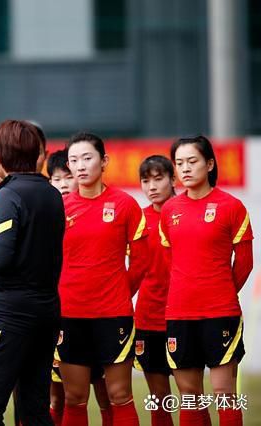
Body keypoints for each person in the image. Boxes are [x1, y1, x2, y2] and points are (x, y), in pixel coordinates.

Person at [0, 120, 65, 425]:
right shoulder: (51, 194)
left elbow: (0, 258)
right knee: (33, 407)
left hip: (12, 313)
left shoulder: (8, 195)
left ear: (0, 155)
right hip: (47, 310)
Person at [160, 136, 253, 426]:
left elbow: (245, 264)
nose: (185, 169)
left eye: (192, 161)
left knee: (224, 394)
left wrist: (220, 291)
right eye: (179, 163)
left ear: (209, 163)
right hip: (179, 313)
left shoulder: (232, 206)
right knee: (189, 395)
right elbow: (169, 263)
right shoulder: (169, 210)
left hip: (220, 313)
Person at [57, 132, 148, 426]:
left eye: (87, 158)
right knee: (74, 397)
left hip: (113, 314)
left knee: (119, 394)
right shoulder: (59, 208)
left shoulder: (125, 204)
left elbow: (142, 260)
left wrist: (118, 290)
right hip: (69, 314)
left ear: (104, 161)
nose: (80, 166)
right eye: (74, 160)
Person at [46, 149, 112, 426]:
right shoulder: (46, 215)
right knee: (59, 397)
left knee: (108, 394)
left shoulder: (100, 210)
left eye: (68, 177)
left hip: (101, 315)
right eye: (55, 178)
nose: (62, 183)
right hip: (59, 317)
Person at [133, 155, 175, 426]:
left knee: (192, 396)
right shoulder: (138, 219)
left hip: (185, 315)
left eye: (158, 179)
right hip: (148, 317)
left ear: (173, 180)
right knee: (159, 399)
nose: (152, 186)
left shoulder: (188, 212)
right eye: (146, 181)